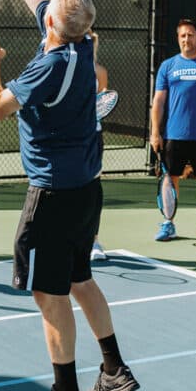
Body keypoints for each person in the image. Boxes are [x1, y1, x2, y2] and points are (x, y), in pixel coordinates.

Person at [0, 0, 139, 391]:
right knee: (80, 280)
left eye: (47, 6)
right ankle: (113, 366)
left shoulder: (48, 68)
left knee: (50, 296)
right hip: (86, 190)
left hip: (50, 195)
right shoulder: (82, 44)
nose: (39, 3)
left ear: (52, 21)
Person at [149, 18, 196, 243]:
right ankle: (168, 223)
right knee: (170, 180)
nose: (186, 39)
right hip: (174, 135)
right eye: (182, 35)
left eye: (190, 35)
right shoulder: (168, 66)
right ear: (178, 39)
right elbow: (159, 101)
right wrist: (155, 132)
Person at [90, 32, 109, 262]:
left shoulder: (100, 72)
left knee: (93, 189)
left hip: (92, 137)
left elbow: (102, 103)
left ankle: (93, 240)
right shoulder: (61, 67)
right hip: (66, 139)